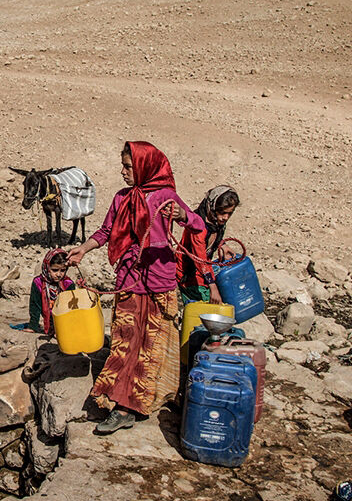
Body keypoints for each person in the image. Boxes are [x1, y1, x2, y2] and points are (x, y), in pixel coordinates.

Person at [67, 142, 204, 434]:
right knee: (126, 340)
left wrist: (181, 216)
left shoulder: (166, 197)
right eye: (124, 166)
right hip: (129, 278)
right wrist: (84, 249)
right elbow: (105, 231)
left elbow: (197, 224)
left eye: (128, 167)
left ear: (144, 167)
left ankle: (136, 404)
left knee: (151, 345)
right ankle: (122, 404)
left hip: (160, 281)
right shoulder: (121, 198)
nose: (123, 172)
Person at [177, 185, 241, 303]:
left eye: (229, 214)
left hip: (203, 273)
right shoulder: (198, 228)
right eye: (222, 212)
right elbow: (199, 259)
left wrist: (222, 244)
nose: (225, 218)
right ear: (212, 207)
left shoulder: (215, 221)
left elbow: (212, 238)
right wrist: (212, 286)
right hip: (190, 277)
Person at [20, 248, 76, 334]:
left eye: (63, 270)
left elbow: (70, 309)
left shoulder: (68, 284)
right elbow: (35, 305)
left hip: (63, 320)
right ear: (47, 267)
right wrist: (33, 326)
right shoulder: (38, 282)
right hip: (48, 319)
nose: (58, 274)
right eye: (54, 270)